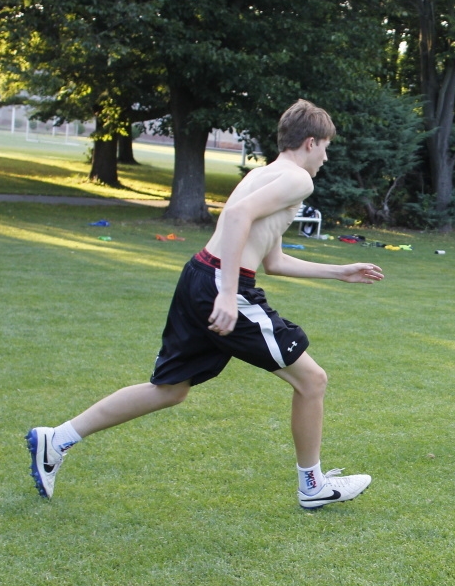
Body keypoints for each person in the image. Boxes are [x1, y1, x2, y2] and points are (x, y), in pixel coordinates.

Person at [26, 100, 383, 509]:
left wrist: (340, 271)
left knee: (170, 389)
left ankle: (57, 438)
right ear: (310, 142)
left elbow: (273, 261)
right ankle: (312, 486)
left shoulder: (263, 175)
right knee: (312, 380)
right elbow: (236, 217)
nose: (326, 158)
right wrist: (228, 294)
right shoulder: (298, 179)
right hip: (220, 283)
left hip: (199, 275)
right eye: (326, 148)